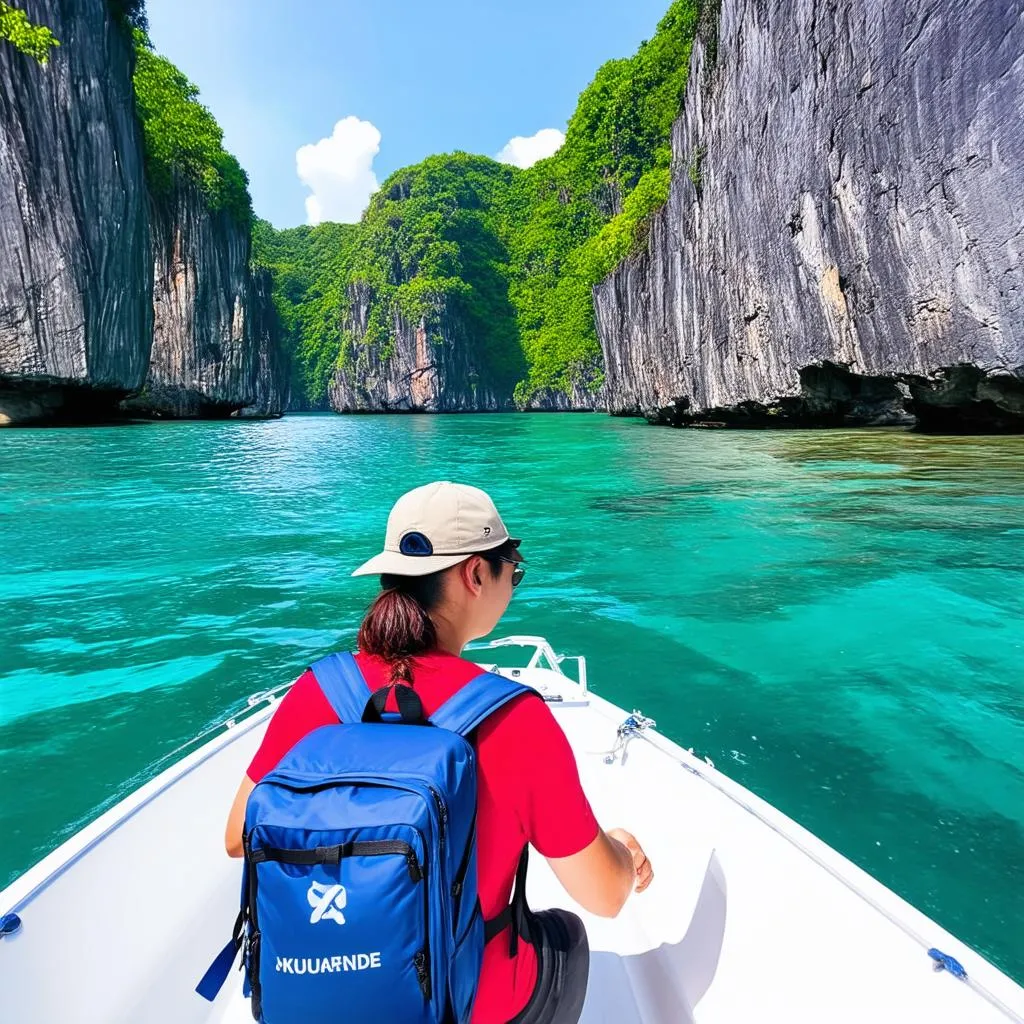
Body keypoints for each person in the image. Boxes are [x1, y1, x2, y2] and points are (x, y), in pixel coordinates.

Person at [225, 481, 653, 1024]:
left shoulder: (318, 691)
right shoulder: (513, 718)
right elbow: (606, 896)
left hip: (316, 1001)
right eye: (511, 571)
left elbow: (237, 835)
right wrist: (618, 850)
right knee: (568, 934)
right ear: (475, 574)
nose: (513, 583)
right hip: (468, 1005)